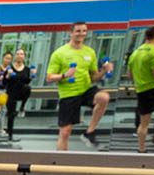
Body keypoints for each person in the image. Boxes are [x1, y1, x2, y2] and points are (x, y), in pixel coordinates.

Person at [45, 22, 114, 151]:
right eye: (78, 31)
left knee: (104, 97)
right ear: (70, 33)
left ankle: (89, 132)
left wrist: (104, 70)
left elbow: (94, 77)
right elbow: (49, 77)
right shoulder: (59, 53)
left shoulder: (90, 52)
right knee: (65, 132)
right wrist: (65, 75)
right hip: (69, 94)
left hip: (86, 90)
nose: (81, 34)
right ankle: (60, 165)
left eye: (84, 31)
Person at [126, 27, 154, 153]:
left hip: (141, 91)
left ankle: (141, 149)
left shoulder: (135, 53)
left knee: (143, 124)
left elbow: (129, 75)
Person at [0, 49, 34, 140]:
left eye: (21, 54)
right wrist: (7, 76)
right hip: (11, 93)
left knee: (28, 88)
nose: (19, 56)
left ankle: (22, 107)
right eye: (18, 54)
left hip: (21, 92)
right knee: (11, 114)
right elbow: (3, 82)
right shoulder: (10, 68)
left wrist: (32, 76)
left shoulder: (27, 69)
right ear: (15, 56)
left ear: (24, 57)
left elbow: (27, 81)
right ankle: (10, 135)